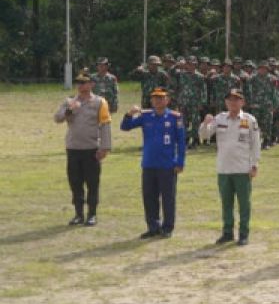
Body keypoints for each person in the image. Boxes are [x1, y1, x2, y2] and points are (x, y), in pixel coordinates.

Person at [120, 88, 186, 239]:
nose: (157, 101)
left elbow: (181, 142)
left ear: (167, 100)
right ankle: (153, 226)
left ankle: (167, 227)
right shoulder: (146, 116)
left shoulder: (175, 118)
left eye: (161, 98)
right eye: (155, 98)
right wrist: (129, 114)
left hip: (168, 164)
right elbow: (125, 127)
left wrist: (180, 161)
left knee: (168, 198)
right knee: (149, 197)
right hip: (149, 163)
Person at [199, 89, 261, 245]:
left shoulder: (249, 119)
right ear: (226, 102)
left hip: (242, 169)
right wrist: (205, 123)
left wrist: (255, 164)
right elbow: (204, 135)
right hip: (224, 169)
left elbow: (256, 144)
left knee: (244, 204)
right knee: (226, 204)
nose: (233, 102)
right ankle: (227, 232)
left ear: (243, 102)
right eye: (230, 100)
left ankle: (243, 233)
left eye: (237, 99)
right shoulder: (220, 118)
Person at [53, 72, 113, 226]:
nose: (80, 85)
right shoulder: (70, 101)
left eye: (83, 82)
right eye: (78, 82)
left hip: (91, 149)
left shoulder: (100, 102)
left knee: (92, 183)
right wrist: (70, 110)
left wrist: (105, 147)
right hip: (73, 148)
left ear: (91, 84)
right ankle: (78, 214)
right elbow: (57, 118)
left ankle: (92, 214)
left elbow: (105, 125)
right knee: (75, 183)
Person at [245, 60, 279, 152]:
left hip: (267, 105)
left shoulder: (272, 79)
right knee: (254, 123)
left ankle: (266, 142)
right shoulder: (252, 78)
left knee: (268, 123)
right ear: (258, 69)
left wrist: (275, 104)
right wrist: (249, 103)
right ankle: (254, 142)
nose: (262, 70)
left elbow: (275, 93)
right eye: (261, 68)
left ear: (267, 69)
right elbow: (247, 91)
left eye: (264, 68)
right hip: (255, 105)